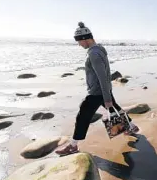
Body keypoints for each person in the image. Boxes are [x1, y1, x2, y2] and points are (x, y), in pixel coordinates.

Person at [56, 22, 139, 156]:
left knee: (82, 117)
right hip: (103, 89)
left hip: (97, 92)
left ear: (86, 38)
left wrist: (106, 98)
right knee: (115, 109)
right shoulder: (99, 49)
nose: (79, 44)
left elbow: (101, 76)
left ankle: (73, 146)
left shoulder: (93, 54)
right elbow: (105, 73)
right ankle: (132, 127)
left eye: (79, 41)